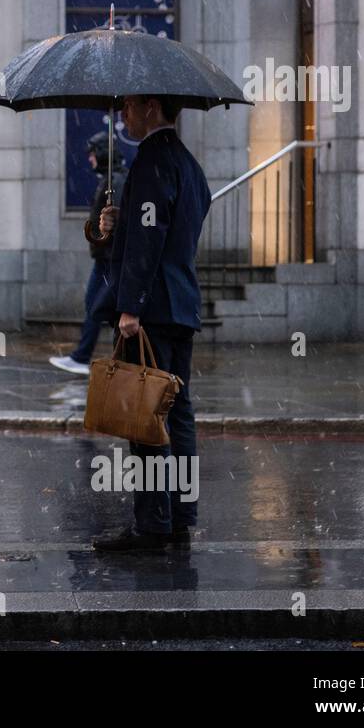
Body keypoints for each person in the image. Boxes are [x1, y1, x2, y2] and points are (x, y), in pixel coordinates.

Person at [91, 95, 211, 553]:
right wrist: (123, 221)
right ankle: (180, 515)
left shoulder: (149, 162)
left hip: (154, 311)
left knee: (146, 418)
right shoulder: (187, 163)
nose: (123, 114)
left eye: (129, 107)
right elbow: (174, 224)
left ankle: (151, 524)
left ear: (151, 108)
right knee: (178, 414)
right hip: (181, 307)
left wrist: (130, 306)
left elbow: (149, 239)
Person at [51, 130, 128, 375]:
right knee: (94, 305)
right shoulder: (108, 179)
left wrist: (106, 237)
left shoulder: (114, 180)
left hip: (108, 258)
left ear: (103, 153)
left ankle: (85, 357)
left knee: (98, 307)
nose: (90, 159)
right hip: (103, 257)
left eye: (93, 153)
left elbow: (116, 220)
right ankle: (84, 357)